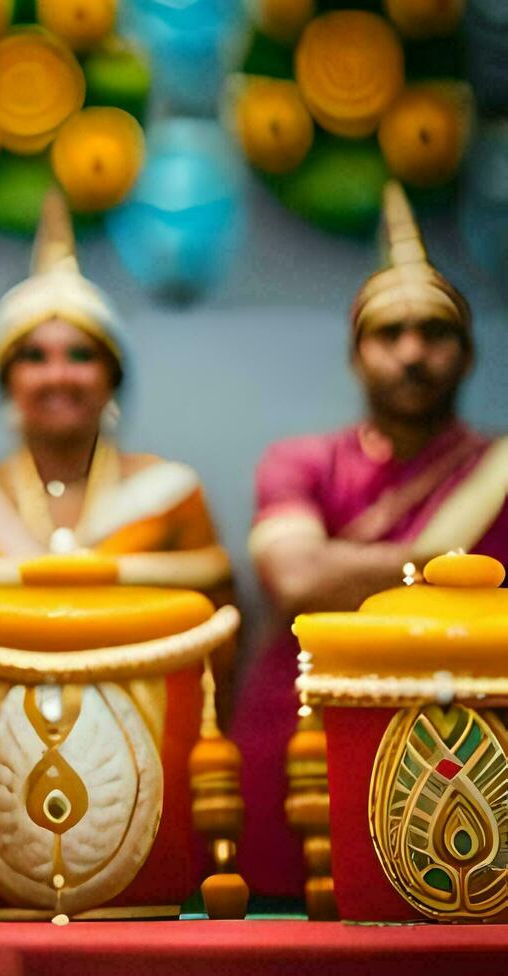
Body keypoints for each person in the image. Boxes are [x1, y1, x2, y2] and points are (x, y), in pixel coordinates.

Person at [236, 181, 508, 900]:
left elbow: (323, 572)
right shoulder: (301, 462)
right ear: (357, 355)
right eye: (390, 334)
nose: (413, 353)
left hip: (480, 754)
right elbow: (296, 579)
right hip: (304, 747)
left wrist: (352, 571)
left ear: (469, 353)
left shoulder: (500, 471)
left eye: (435, 332)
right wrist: (463, 574)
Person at [0, 189, 232, 727]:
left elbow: (221, 641)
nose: (58, 376)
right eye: (34, 357)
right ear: (7, 382)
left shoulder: (170, 494)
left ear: (112, 377)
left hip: (145, 752)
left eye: (81, 356)